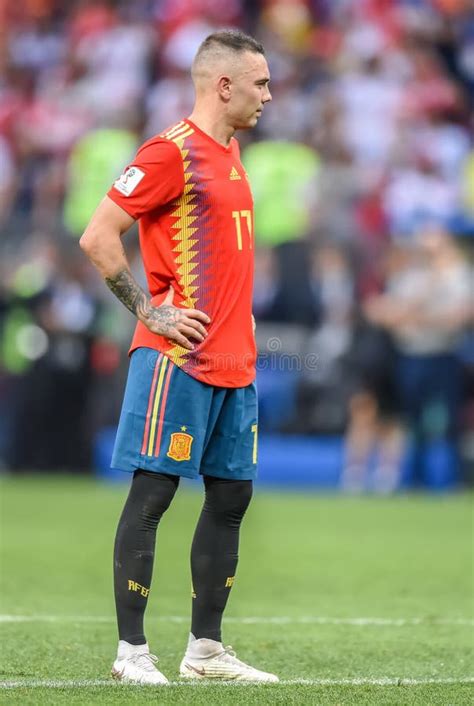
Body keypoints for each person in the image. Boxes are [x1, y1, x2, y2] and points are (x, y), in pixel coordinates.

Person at [80, 30, 277, 685]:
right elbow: (98, 235)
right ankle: (131, 652)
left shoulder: (231, 151)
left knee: (231, 499)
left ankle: (206, 651)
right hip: (177, 361)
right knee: (153, 495)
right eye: (260, 83)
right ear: (223, 85)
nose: (268, 96)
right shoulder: (170, 154)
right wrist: (148, 309)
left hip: (235, 362)